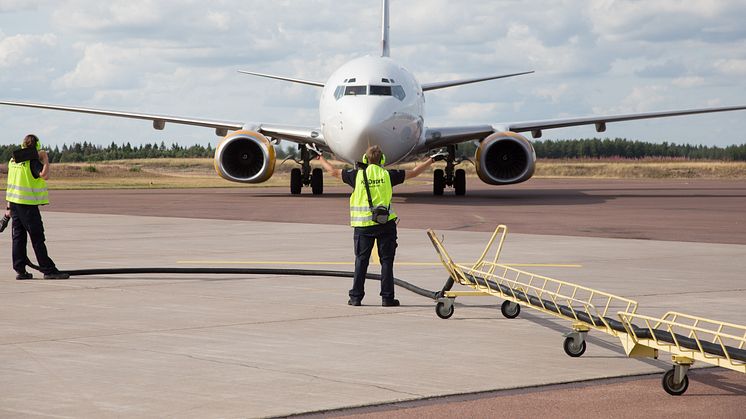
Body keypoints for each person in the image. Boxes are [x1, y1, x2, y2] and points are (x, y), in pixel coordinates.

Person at [317, 145, 440, 306]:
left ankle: (356, 297)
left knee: (361, 261)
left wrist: (320, 158)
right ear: (382, 160)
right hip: (385, 224)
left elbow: (333, 171)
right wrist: (432, 160)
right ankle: (387, 298)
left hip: (363, 226)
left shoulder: (356, 175)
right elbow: (415, 172)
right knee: (387, 262)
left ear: (364, 159)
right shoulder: (388, 175)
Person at [5, 134, 69, 280]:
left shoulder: (13, 160)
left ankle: (20, 270)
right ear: (36, 147)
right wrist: (45, 159)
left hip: (14, 203)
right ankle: (48, 270)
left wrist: (8, 207)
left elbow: (11, 182)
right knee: (37, 237)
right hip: (27, 206)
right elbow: (44, 175)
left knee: (18, 237)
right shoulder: (31, 162)